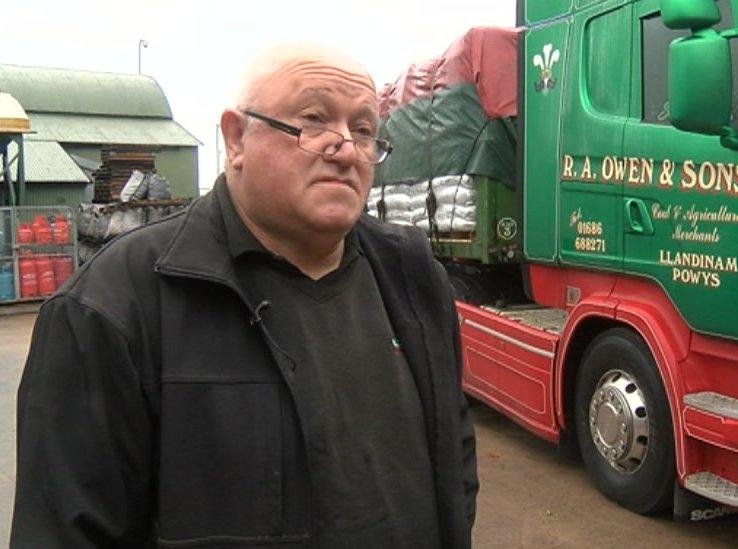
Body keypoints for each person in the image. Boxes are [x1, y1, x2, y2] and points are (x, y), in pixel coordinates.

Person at [12, 43, 478, 548]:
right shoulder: (112, 308)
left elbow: (454, 458)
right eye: (314, 120)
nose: (344, 146)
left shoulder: (413, 277)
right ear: (236, 138)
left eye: (364, 129)